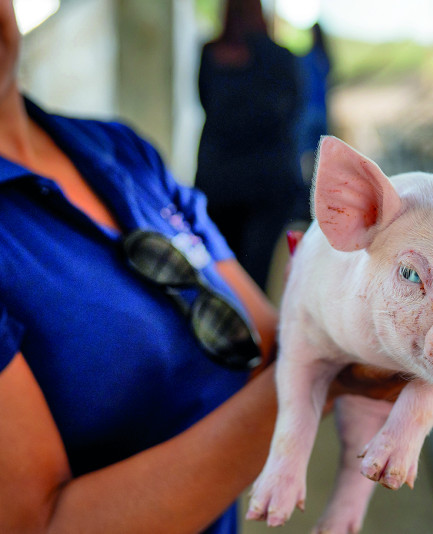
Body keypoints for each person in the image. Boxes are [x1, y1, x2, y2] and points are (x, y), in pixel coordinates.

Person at [0, 2, 400, 532]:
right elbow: (36, 523)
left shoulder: (120, 149)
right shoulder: (280, 59)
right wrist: (332, 369)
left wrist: (351, 329)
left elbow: (269, 341)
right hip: (263, 181)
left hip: (224, 173)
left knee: (246, 291)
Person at [195, 0, 308, 289]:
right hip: (267, 182)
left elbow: (205, 102)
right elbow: (293, 111)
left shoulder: (210, 54)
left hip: (220, 179)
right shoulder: (281, 58)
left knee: (222, 273)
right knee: (254, 277)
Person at [295, 22, 332, 182]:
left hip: (309, 111)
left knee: (305, 154)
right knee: (321, 156)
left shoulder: (307, 58)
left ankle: (307, 189)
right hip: (321, 112)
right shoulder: (324, 57)